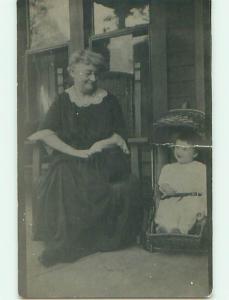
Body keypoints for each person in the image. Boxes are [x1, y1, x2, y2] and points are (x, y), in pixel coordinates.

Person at [28, 49, 142, 267]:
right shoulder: (63, 101)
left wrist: (99, 145)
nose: (94, 78)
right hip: (73, 157)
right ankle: (67, 242)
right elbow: (45, 133)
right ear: (72, 72)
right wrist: (77, 152)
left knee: (73, 172)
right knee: (62, 171)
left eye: (97, 73)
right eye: (88, 73)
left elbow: (120, 137)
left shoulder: (109, 101)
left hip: (105, 158)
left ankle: (72, 243)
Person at [154, 131, 207, 234]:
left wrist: (204, 208)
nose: (179, 152)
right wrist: (165, 187)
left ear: (195, 153)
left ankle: (180, 231)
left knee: (189, 210)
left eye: (184, 149)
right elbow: (162, 183)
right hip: (172, 198)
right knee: (166, 208)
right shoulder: (169, 168)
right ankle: (165, 229)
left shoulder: (200, 168)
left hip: (191, 198)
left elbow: (205, 189)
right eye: (177, 147)